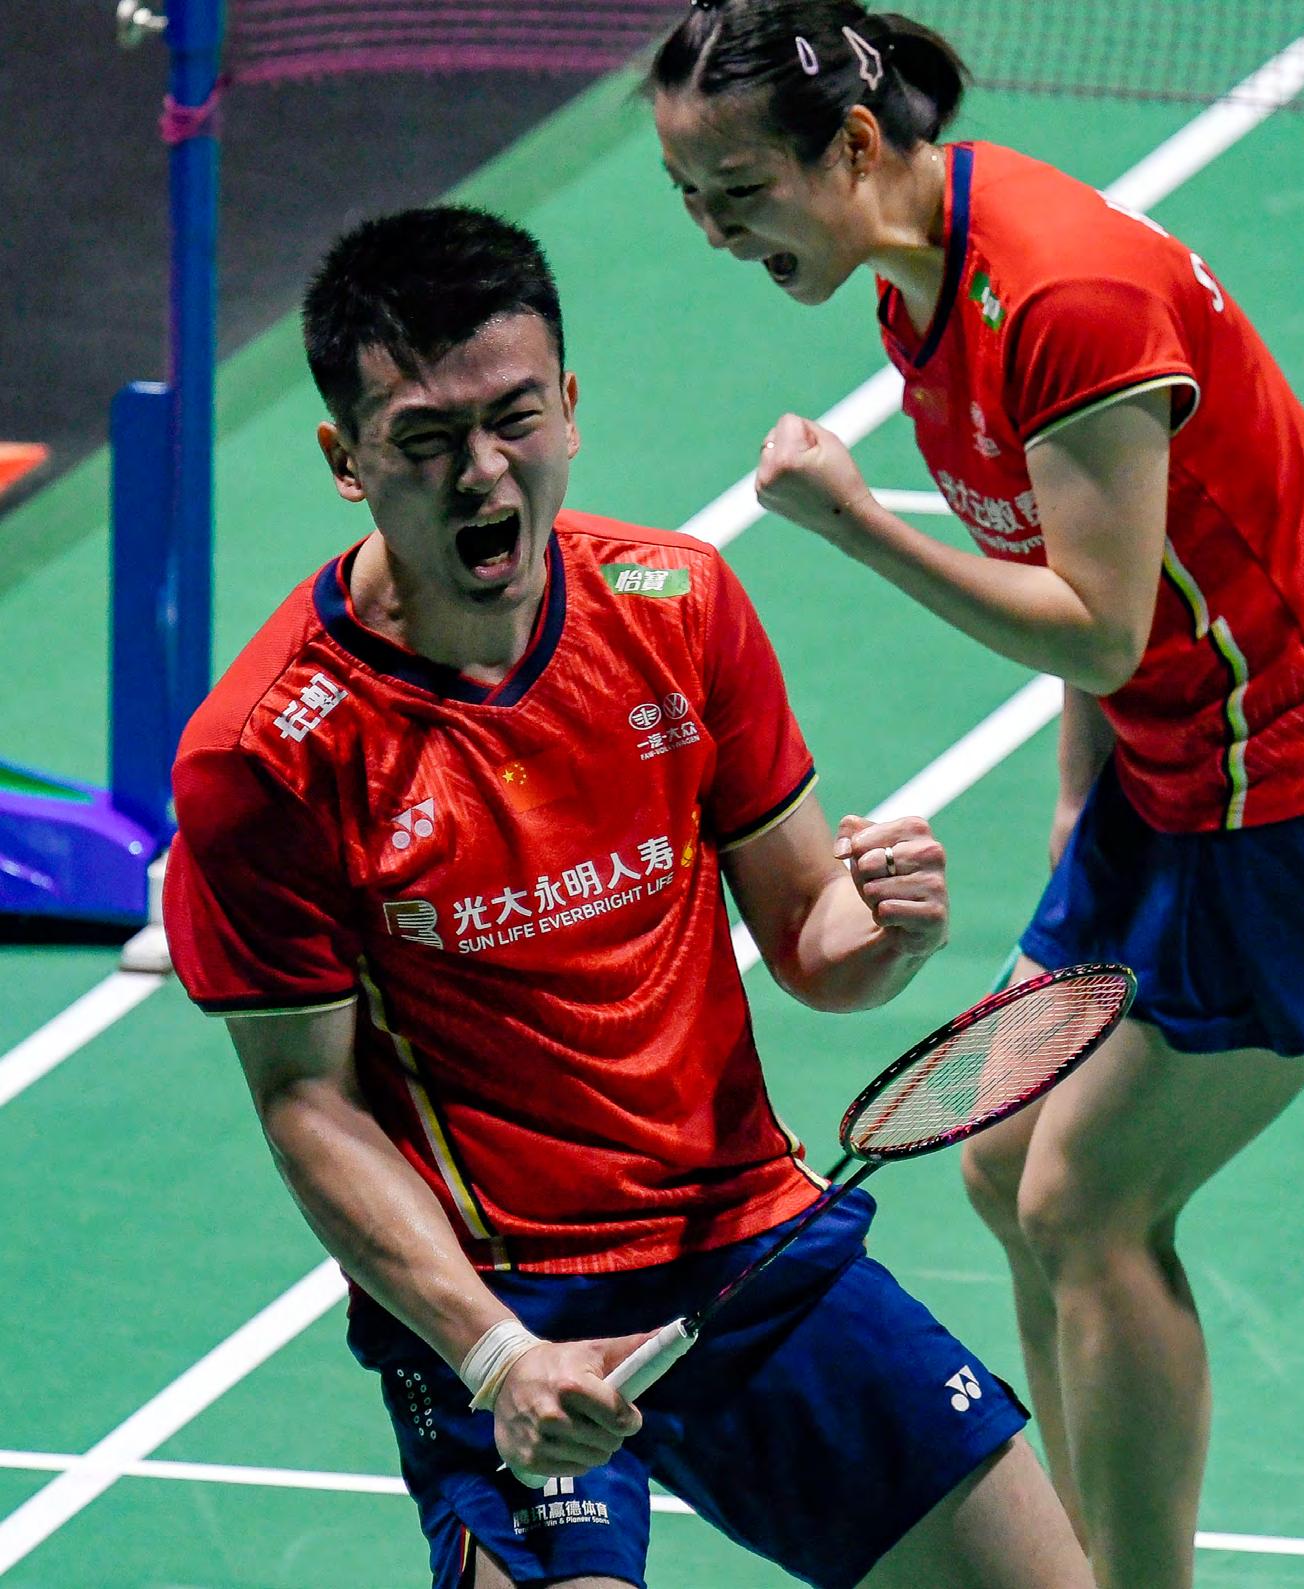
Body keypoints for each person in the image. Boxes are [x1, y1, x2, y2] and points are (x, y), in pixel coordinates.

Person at [647, 5, 1304, 1586]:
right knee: (1001, 1166)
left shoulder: (1060, 293)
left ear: (852, 145)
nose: (712, 231)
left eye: (739, 191)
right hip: (1162, 774)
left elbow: (1098, 621)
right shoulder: (917, 288)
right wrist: (1075, 818)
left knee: (1090, 1201)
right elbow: (1083, 577)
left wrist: (855, 522)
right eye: (687, 199)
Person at [162, 205, 1094, 1589]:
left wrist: (888, 931)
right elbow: (310, 1100)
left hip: (746, 1243)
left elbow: (813, 940)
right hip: (507, 1297)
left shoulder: (676, 604)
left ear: (571, 407)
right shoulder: (269, 755)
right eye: (425, 439)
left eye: (514, 418)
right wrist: (492, 1354)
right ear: (344, 460)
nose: (483, 473)